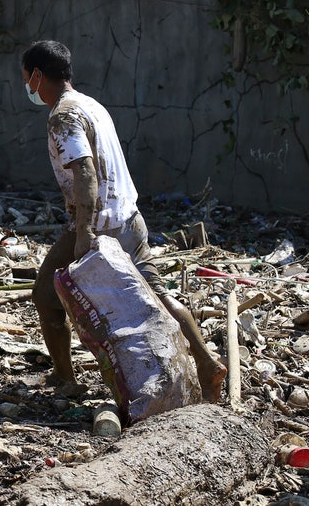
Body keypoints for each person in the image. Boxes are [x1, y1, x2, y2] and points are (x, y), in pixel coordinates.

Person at [21, 39, 228, 401]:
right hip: (128, 217)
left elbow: (85, 171)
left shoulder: (63, 115)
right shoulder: (92, 105)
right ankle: (208, 364)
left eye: (26, 78)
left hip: (98, 225)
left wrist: (84, 231)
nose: (27, 86)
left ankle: (65, 378)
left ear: (37, 75)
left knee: (44, 294)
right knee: (157, 294)